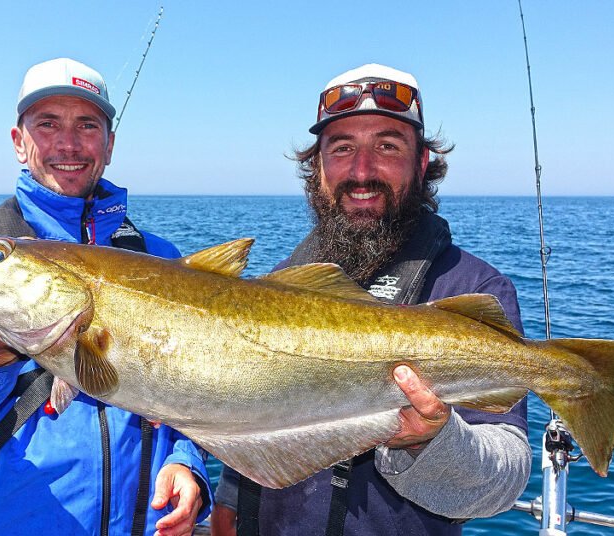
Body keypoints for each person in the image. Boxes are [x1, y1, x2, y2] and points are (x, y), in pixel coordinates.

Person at [0, 57, 212, 536]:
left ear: (109, 144)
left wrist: (187, 463)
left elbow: (199, 386)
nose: (68, 142)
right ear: (19, 143)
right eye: (47, 124)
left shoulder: (163, 261)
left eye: (87, 124)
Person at [211, 63, 532, 536]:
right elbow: (254, 416)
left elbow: (505, 478)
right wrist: (228, 502)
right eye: (342, 148)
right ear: (316, 167)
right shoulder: (277, 284)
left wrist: (433, 441)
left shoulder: (475, 288)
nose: (362, 171)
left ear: (422, 163)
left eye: (387, 146)